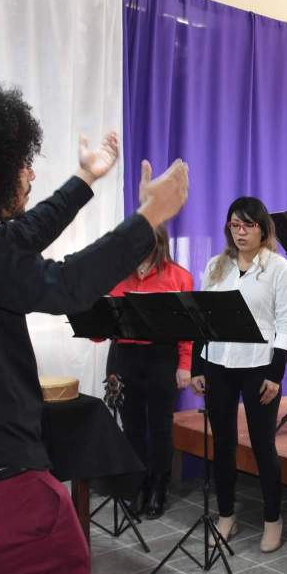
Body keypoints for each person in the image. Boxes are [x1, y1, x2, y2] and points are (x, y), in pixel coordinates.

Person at [0, 80, 188, 574]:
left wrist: (84, 180)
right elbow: (69, 284)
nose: (29, 174)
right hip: (4, 486)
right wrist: (150, 216)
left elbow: (23, 235)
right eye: (20, 163)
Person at [191, 197, 287, 553]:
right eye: (235, 225)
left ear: (263, 229)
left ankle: (272, 519)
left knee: (263, 444)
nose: (241, 232)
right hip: (218, 363)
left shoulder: (279, 268)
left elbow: (286, 323)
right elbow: (202, 316)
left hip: (259, 367)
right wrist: (197, 367)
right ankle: (226, 516)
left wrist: (276, 373)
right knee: (222, 444)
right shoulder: (216, 266)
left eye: (248, 225)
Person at [105, 222, 194, 519]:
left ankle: (158, 487)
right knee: (131, 427)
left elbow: (187, 330)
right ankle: (138, 486)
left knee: (160, 427)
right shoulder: (116, 274)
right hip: (125, 356)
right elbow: (103, 329)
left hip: (161, 357)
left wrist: (185, 365)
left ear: (159, 242)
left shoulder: (179, 276)